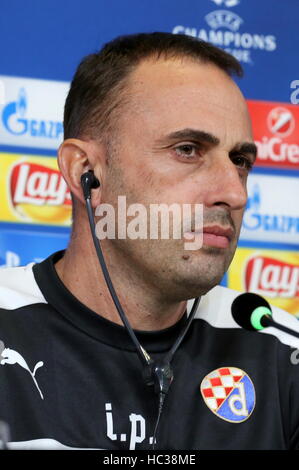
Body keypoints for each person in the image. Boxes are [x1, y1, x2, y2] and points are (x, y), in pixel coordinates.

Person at [0, 32, 299, 451]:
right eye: (188, 149)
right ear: (86, 172)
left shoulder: (281, 353)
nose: (235, 193)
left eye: (240, 161)